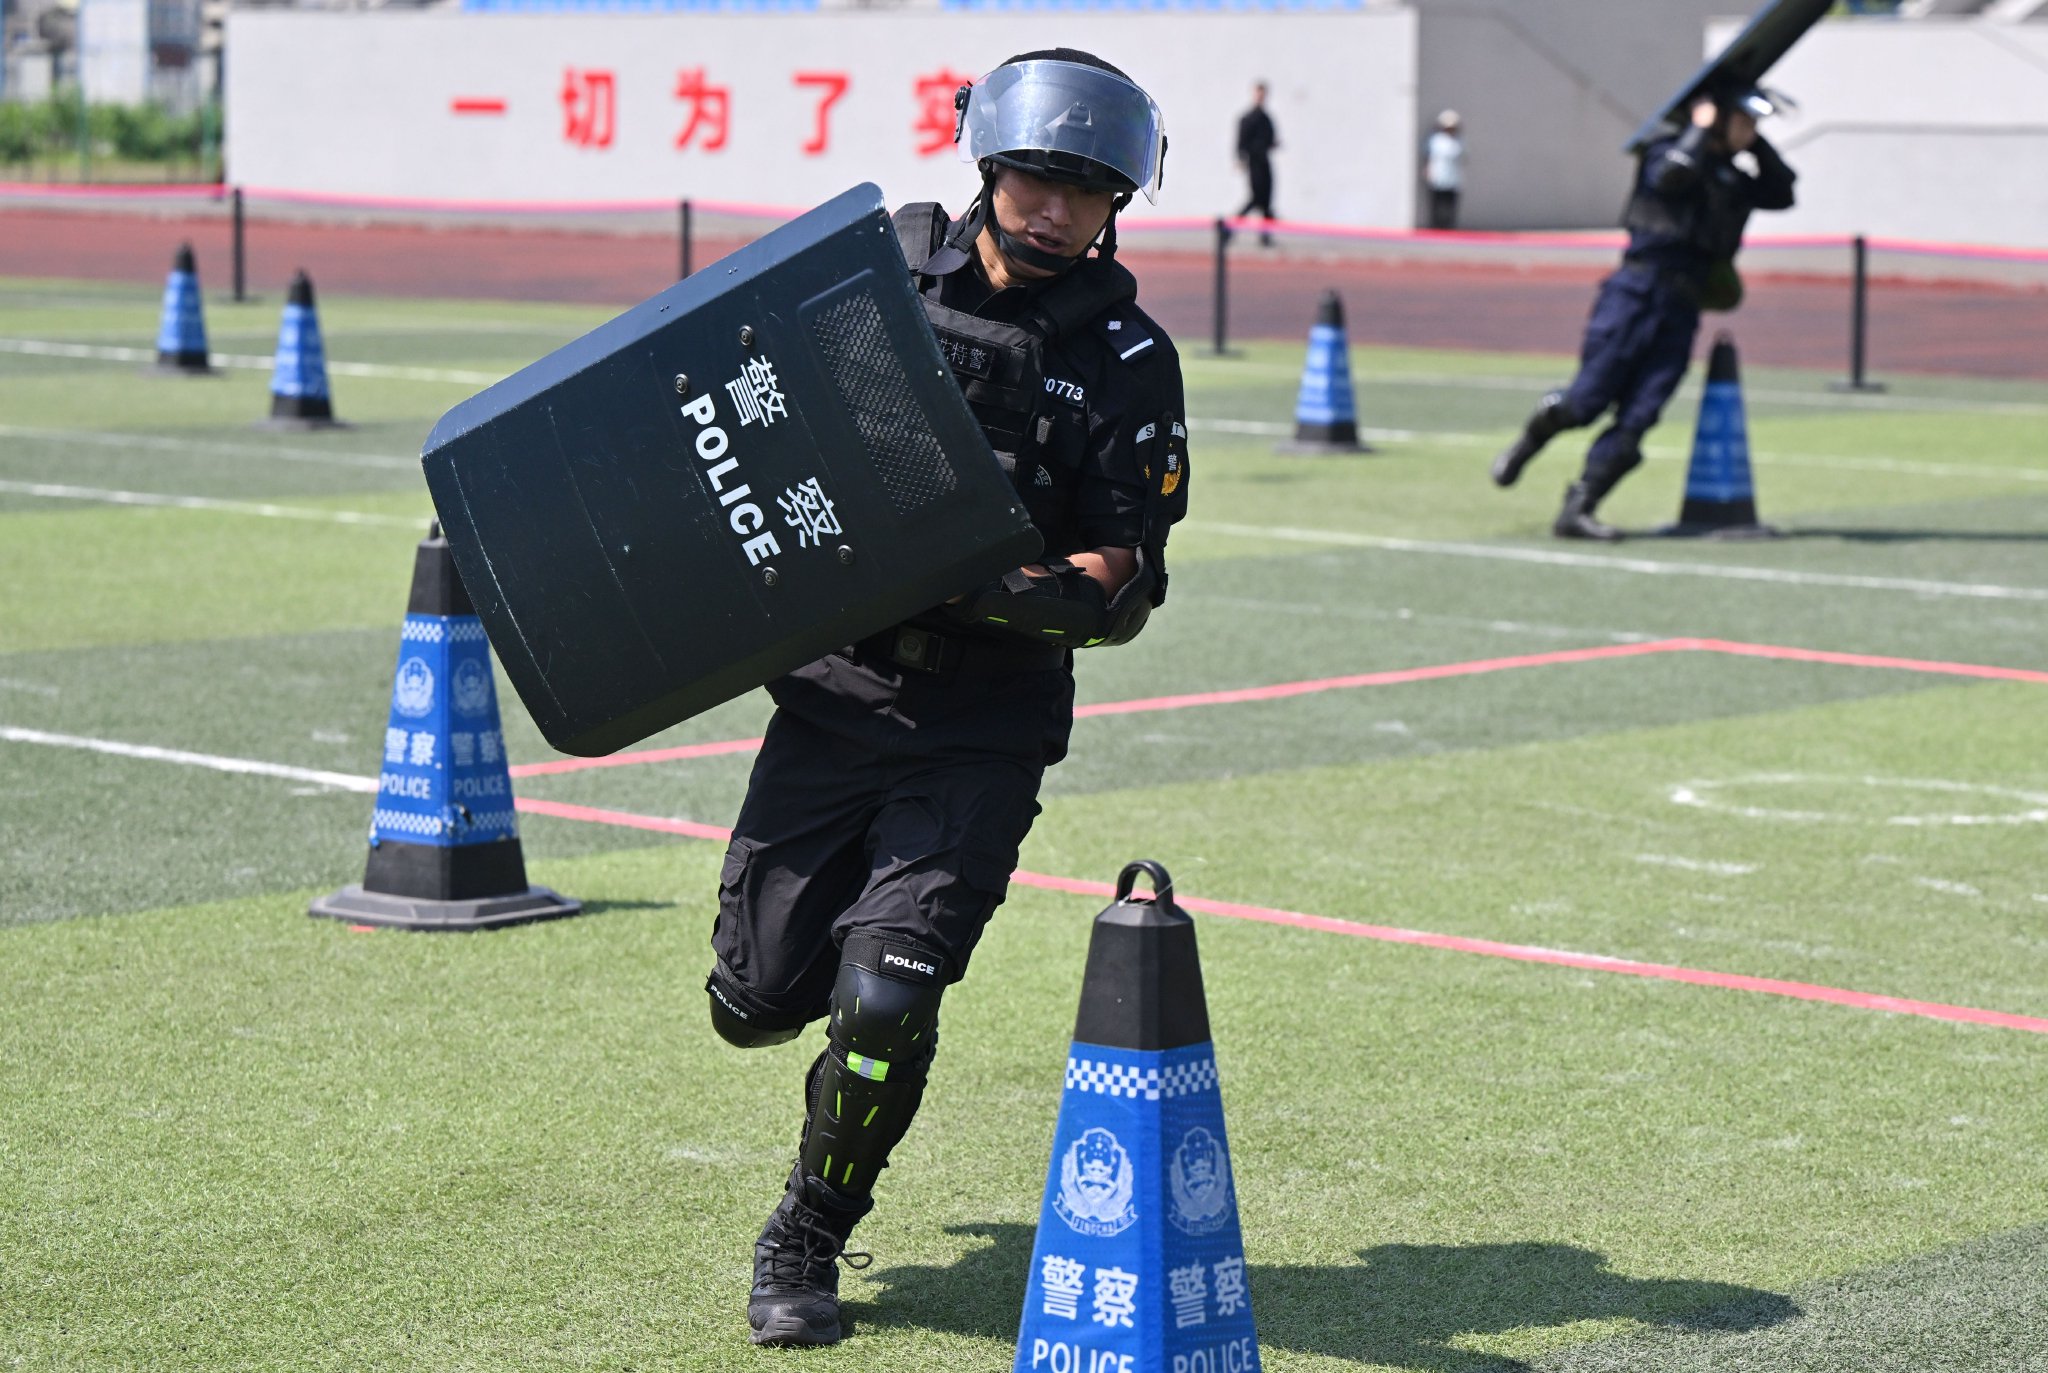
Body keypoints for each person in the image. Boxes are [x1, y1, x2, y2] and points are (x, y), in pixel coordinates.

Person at [703, 48, 1190, 1348]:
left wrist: (995, 590)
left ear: (1117, 205)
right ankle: (820, 997)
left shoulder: (1131, 357)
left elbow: (1120, 577)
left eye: (1088, 191)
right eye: (1039, 177)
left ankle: (807, 1233)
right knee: (752, 1001)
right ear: (991, 165)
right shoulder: (868, 289)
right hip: (832, 696)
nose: (1056, 210)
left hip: (983, 729)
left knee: (884, 1003)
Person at [1490, 90, 1795, 539]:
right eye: (1744, 122)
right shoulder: (1665, 152)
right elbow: (1671, 176)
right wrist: (1702, 126)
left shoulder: (1732, 177)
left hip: (1684, 305)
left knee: (1640, 416)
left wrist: (1752, 143)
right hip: (1636, 293)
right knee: (1585, 403)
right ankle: (1529, 444)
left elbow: (1783, 191)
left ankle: (1579, 507)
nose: (1751, 132)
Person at [1235, 80, 1278, 246]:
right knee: (1254, 199)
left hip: (1265, 163)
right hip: (1254, 164)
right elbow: (1241, 142)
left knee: (1267, 201)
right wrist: (1241, 159)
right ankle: (1230, 228)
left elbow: (1270, 139)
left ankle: (1265, 237)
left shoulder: (1267, 119)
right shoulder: (1248, 118)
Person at [1423, 109, 1465, 230]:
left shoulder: (1459, 140)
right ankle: (1436, 225)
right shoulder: (1436, 140)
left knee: (1450, 203)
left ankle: (1449, 226)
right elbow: (1428, 156)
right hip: (1438, 177)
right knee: (1437, 203)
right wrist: (1427, 170)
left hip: (1453, 178)